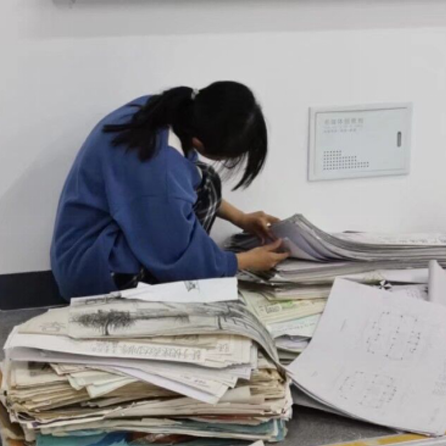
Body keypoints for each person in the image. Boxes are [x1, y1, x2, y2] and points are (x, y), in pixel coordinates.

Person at [51, 81, 289, 299]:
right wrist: (246, 261)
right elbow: (184, 260)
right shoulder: (159, 170)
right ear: (199, 142)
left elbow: (186, 186)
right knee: (205, 194)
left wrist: (241, 218)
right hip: (95, 275)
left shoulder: (158, 110)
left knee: (205, 181)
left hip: (82, 250)